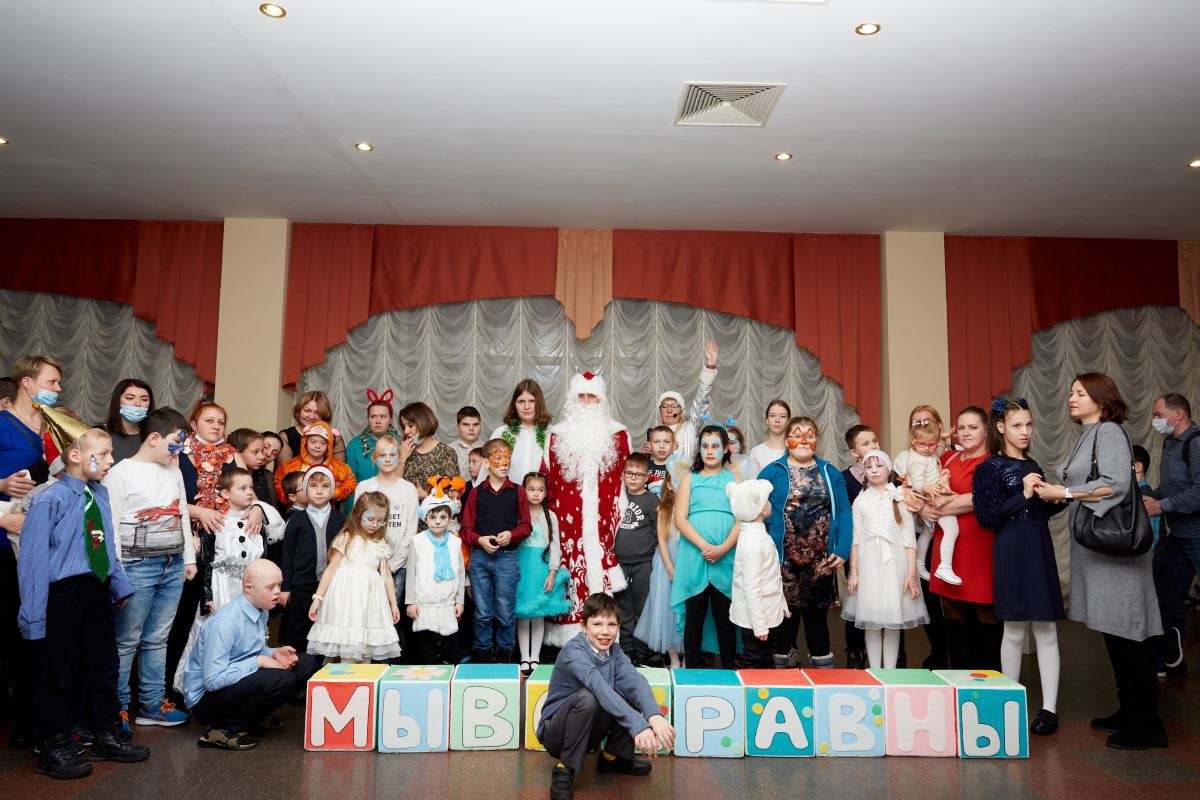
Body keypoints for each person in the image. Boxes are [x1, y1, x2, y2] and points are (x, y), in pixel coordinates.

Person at [1036, 373, 1167, 750]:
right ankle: (1129, 710)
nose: (1071, 397)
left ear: (1101, 399)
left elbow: (1116, 485)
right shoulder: (1089, 433)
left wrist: (1066, 491)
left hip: (1116, 552)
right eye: (1071, 392)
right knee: (1114, 631)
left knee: (1129, 634)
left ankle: (1148, 724)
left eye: (1080, 393)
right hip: (1100, 552)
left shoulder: (1109, 432)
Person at [18, 427, 150, 778]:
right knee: (56, 673)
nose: (111, 460)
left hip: (97, 589)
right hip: (62, 595)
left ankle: (106, 732)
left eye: (110, 453)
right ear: (75, 456)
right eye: (103, 454)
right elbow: (33, 561)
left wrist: (118, 586)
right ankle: (53, 744)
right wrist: (33, 615)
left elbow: (105, 545)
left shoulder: (100, 494)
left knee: (104, 666)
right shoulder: (49, 500)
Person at [974, 397, 1064, 737]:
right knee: (1012, 629)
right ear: (1000, 427)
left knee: (1046, 629)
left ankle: (1050, 710)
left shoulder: (1033, 463)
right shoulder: (990, 467)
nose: (1025, 431)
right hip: (1010, 550)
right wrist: (1024, 495)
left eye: (1028, 424)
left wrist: (1058, 498)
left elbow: (1039, 511)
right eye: (1017, 425)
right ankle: (1010, 703)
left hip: (1038, 546)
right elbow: (987, 517)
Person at [102, 407, 197, 729]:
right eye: (175, 442)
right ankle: (116, 708)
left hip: (172, 564)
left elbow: (181, 514)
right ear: (154, 438)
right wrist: (116, 574)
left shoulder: (173, 471)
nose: (179, 450)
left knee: (158, 637)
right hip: (135, 567)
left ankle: (152, 704)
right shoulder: (121, 473)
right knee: (126, 639)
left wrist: (187, 558)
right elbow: (112, 526)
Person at [537, 593, 674, 800]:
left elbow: (635, 681)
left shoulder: (615, 652)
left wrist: (654, 716)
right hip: (556, 733)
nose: (605, 632)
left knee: (628, 690)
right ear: (583, 626)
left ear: (618, 627)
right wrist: (639, 725)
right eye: (597, 624)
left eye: (611, 625)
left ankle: (612, 758)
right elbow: (598, 687)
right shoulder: (574, 651)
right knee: (590, 697)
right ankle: (564, 768)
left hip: (588, 729)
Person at [184, 559, 321, 751]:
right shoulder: (225, 623)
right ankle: (223, 729)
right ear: (249, 588)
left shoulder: (260, 610)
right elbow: (213, 680)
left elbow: (250, 650)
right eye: (271, 587)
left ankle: (253, 715)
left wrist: (274, 653)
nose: (277, 592)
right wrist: (259, 661)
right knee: (283, 679)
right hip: (205, 700)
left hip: (233, 680)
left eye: (279, 585)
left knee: (306, 663)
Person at [173, 468, 284, 692]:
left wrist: (259, 508)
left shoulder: (258, 520)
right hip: (221, 587)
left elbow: (277, 532)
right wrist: (207, 598)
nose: (249, 492)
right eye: (242, 488)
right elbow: (206, 563)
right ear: (225, 494)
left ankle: (248, 680)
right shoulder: (216, 522)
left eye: (251, 487)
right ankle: (209, 684)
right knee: (218, 633)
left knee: (249, 632)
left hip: (250, 589)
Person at [542, 373, 631, 645]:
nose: (585, 401)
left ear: (601, 400)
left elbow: (627, 479)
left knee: (600, 576)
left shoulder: (618, 434)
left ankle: (603, 637)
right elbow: (546, 478)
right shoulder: (556, 435)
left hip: (605, 524)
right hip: (566, 525)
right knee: (568, 576)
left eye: (592, 396)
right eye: (580, 396)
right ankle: (568, 640)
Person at [760, 416, 852, 669]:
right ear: (786, 440)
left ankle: (823, 677)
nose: (803, 440)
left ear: (816, 440)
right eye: (797, 435)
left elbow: (844, 510)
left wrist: (843, 548)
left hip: (821, 562)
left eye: (809, 435)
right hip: (781, 561)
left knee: (817, 622)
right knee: (784, 621)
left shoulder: (830, 472)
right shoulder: (771, 472)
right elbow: (756, 509)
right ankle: (781, 678)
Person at [921, 407, 1001, 670]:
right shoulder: (947, 458)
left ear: (987, 430)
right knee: (950, 607)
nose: (966, 433)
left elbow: (980, 499)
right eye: (962, 428)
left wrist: (937, 505)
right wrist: (922, 508)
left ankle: (990, 675)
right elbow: (920, 487)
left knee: (985, 609)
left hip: (979, 546)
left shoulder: (994, 462)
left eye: (973, 427)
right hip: (947, 549)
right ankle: (958, 676)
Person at [843, 450, 926, 669]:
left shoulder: (899, 497)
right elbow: (856, 539)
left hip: (895, 566)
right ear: (864, 471)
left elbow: (909, 539)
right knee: (870, 620)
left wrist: (911, 573)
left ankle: (890, 671)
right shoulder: (860, 501)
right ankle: (874, 669)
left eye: (879, 466)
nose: (874, 470)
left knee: (892, 620)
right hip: (869, 565)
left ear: (888, 469)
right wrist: (854, 572)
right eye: (869, 467)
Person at [671, 425, 739, 669]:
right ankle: (690, 671)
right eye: (705, 446)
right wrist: (704, 545)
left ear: (726, 449)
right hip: (694, 555)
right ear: (699, 449)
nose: (710, 451)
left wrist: (723, 548)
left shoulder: (734, 480)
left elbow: (742, 519)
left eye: (715, 446)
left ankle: (729, 671)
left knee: (725, 616)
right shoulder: (690, 479)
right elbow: (680, 519)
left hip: (726, 556)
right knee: (695, 615)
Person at [307, 491, 402, 662]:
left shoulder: (379, 543)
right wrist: (317, 599)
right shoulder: (346, 538)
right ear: (358, 514)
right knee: (347, 649)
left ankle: (363, 675)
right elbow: (330, 570)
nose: (375, 524)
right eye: (370, 519)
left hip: (370, 603)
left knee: (366, 650)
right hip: (346, 602)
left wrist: (393, 604)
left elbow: (386, 575)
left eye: (380, 520)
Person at [1145, 392, 1200, 677]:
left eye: (1158, 415)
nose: (1155, 420)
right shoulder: (1169, 444)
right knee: (1168, 595)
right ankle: (1173, 660)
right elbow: (1170, 488)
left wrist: (1162, 505)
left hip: (1197, 534)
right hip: (1178, 534)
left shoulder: (1195, 444)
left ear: (1178, 414)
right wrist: (1150, 496)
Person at [461, 438, 531, 662]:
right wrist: (480, 540)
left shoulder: (518, 492)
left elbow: (526, 526)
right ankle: (482, 653)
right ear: (486, 462)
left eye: (507, 459)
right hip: (480, 559)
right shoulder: (476, 493)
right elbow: (465, 529)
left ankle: (504, 654)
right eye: (498, 458)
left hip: (507, 559)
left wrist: (511, 534)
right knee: (482, 612)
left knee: (505, 611)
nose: (504, 463)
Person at [355, 434, 419, 657]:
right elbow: (358, 524)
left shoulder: (408, 489)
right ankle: (365, 658)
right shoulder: (364, 487)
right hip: (368, 563)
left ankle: (388, 660)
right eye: (383, 455)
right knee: (366, 611)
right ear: (375, 459)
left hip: (396, 565)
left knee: (392, 613)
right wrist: (370, 560)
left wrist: (393, 564)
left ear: (399, 457)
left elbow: (411, 530)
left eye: (393, 454)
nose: (388, 459)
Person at [278, 466, 346, 652]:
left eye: (325, 486)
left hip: (332, 584)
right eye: (313, 486)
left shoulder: (340, 519)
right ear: (305, 490)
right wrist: (286, 587)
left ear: (332, 490)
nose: (319, 491)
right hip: (301, 584)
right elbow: (287, 555)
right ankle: (300, 665)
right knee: (299, 628)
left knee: (328, 627)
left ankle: (324, 665)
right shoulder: (296, 520)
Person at [515, 472, 571, 672]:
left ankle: (535, 657)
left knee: (538, 614)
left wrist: (553, 572)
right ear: (524, 490)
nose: (536, 494)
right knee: (524, 613)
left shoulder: (550, 516)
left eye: (540, 490)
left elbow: (556, 545)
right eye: (531, 489)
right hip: (523, 567)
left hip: (542, 568)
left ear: (545, 493)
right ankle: (524, 657)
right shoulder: (518, 514)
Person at [728, 479, 787, 669]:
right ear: (761, 508)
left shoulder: (758, 534)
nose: (770, 503)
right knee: (754, 660)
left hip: (767, 612)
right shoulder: (753, 541)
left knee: (766, 659)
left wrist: (782, 606)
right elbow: (751, 587)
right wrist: (759, 626)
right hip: (756, 619)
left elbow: (771, 575)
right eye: (766, 500)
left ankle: (765, 686)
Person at [405, 489, 467, 665]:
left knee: (453, 649)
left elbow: (461, 573)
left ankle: (453, 677)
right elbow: (411, 573)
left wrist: (459, 601)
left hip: (447, 604)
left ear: (450, 518)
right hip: (424, 605)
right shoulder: (417, 541)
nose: (438, 521)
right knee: (426, 650)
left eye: (443, 517)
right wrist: (410, 601)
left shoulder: (455, 542)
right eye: (433, 517)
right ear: (425, 518)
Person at [633, 473, 683, 668]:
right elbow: (662, 540)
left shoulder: (692, 507)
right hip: (666, 561)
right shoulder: (663, 508)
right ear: (669, 485)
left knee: (686, 611)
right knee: (666, 609)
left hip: (687, 560)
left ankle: (689, 658)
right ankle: (673, 658)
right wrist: (670, 568)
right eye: (676, 481)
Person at [614, 453, 659, 666]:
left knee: (643, 608)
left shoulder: (651, 500)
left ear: (646, 477)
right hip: (619, 564)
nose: (633, 478)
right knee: (623, 609)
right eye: (629, 473)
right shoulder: (618, 497)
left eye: (638, 474)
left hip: (644, 563)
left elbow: (659, 532)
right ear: (623, 474)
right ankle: (626, 651)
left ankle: (643, 652)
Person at [841, 424, 880, 668]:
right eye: (866, 444)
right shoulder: (844, 479)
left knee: (885, 598)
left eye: (874, 441)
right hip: (857, 549)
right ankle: (855, 652)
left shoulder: (890, 474)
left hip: (884, 549)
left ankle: (892, 657)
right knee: (856, 598)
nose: (873, 446)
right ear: (854, 452)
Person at [644, 341, 719, 461]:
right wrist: (647, 455)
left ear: (681, 411)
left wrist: (710, 367)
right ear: (660, 411)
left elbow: (701, 401)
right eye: (664, 406)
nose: (669, 410)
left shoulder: (691, 428)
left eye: (674, 406)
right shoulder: (655, 434)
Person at [274, 421, 356, 505]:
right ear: (305, 442)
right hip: (298, 509)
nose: (317, 446)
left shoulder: (338, 467)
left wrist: (334, 492)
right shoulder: (291, 466)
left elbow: (350, 483)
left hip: (327, 510)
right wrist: (296, 498)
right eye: (313, 442)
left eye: (323, 443)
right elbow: (277, 483)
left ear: (329, 445)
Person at [491, 380, 553, 487]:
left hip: (539, 496)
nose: (527, 407)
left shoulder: (551, 434)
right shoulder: (501, 433)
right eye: (521, 401)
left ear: (539, 403)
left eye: (532, 401)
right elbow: (487, 471)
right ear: (514, 404)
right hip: (506, 495)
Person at [398, 402, 461, 500]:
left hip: (435, 509)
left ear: (424, 423)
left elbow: (454, 494)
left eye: (410, 425)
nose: (406, 431)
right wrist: (402, 459)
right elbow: (394, 488)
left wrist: (426, 495)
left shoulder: (446, 452)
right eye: (404, 427)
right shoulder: (404, 451)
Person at [346, 389, 401, 486]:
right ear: (368, 419)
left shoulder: (399, 442)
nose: (378, 421)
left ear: (391, 420)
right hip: (363, 494)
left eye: (383, 417)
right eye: (373, 416)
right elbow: (349, 483)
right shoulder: (354, 445)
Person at [278, 390, 346, 464]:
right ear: (298, 411)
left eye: (317, 413)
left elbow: (340, 469)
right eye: (307, 410)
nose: (311, 416)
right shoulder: (286, 436)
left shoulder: (335, 437)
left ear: (324, 415)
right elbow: (285, 469)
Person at [102, 379, 153, 464]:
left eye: (144, 399)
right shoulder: (100, 434)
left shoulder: (154, 438)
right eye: (130, 398)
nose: (138, 404)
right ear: (117, 401)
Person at [749, 399, 792, 477]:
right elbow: (752, 482)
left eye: (782, 416)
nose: (777, 420)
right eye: (772, 415)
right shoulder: (756, 452)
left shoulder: (795, 450)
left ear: (788, 421)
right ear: (767, 420)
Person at [451, 406, 483, 481]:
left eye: (475, 424)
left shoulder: (488, 450)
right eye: (466, 424)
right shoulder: (448, 450)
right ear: (457, 427)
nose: (471, 429)